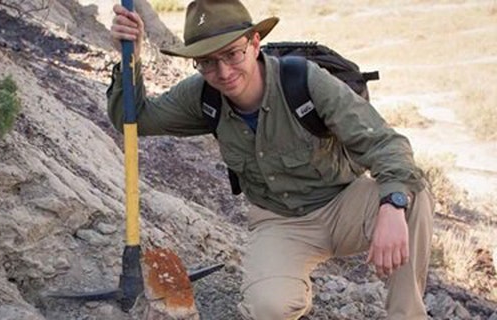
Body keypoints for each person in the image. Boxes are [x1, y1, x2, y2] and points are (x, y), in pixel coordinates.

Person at [107, 0, 434, 319]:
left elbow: (386, 144)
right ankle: (291, 289)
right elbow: (134, 119)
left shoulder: (305, 81)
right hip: (280, 222)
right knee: (267, 308)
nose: (222, 71)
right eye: (206, 62)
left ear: (254, 43)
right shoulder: (202, 95)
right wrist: (130, 58)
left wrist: (392, 203)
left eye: (232, 54)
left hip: (344, 204)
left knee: (412, 195)